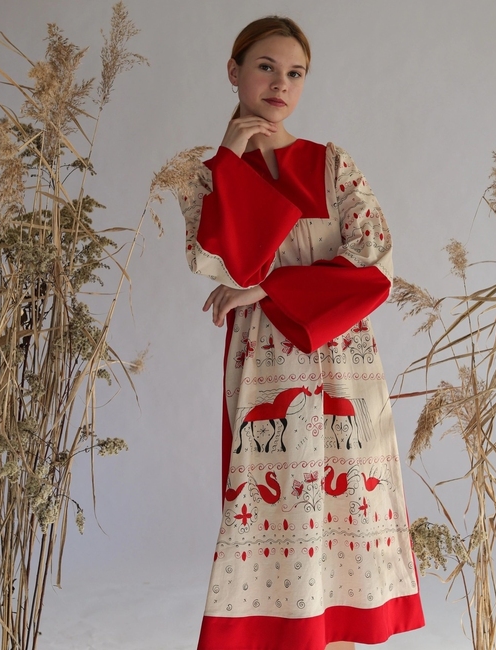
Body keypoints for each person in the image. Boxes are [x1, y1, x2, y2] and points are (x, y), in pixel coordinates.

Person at [179, 15, 425, 650]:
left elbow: (373, 265)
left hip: (345, 365)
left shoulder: (329, 163)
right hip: (264, 368)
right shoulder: (205, 175)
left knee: (347, 507)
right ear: (233, 71)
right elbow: (215, 259)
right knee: (273, 505)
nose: (280, 84)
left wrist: (265, 288)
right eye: (265, 67)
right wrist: (229, 160)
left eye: (295, 73)